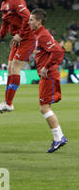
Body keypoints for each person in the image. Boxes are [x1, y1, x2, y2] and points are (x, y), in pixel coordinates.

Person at [0, 0, 36, 114]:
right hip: (17, 39)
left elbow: (27, 18)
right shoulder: (4, 4)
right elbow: (6, 22)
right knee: (10, 68)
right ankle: (7, 102)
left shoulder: (16, 0)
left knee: (15, 67)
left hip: (26, 38)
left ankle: (8, 103)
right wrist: (0, 35)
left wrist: (21, 35)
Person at [28, 9, 68, 153]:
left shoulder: (43, 35)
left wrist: (46, 66)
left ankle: (59, 137)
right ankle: (59, 137)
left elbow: (58, 51)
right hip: (46, 75)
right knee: (44, 107)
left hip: (48, 75)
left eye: (32, 20)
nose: (29, 22)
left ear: (39, 22)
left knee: (44, 107)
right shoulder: (38, 34)